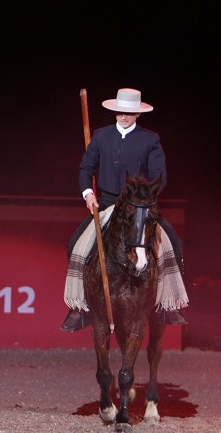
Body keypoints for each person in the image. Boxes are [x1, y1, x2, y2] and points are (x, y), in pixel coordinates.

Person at [61, 88, 188, 332]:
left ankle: (168, 306)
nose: (123, 116)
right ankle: (80, 307)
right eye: (120, 112)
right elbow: (86, 168)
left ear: (137, 114)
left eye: (128, 113)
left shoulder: (150, 140)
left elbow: (159, 176)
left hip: (138, 205)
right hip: (108, 203)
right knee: (74, 244)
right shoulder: (101, 136)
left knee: (174, 243)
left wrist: (143, 199)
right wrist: (88, 194)